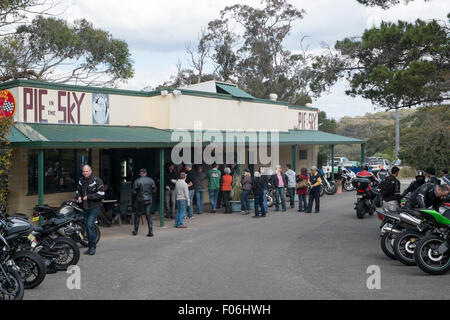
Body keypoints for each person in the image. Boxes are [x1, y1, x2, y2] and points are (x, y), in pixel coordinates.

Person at [76, 164, 105, 255]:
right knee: (87, 227)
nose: (85, 173)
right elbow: (77, 191)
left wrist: (88, 197)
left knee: (89, 225)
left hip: (94, 207)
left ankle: (92, 247)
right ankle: (90, 246)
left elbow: (101, 193)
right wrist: (79, 197)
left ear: (91, 171)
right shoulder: (81, 181)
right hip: (85, 207)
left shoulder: (97, 181)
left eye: (86, 171)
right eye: (84, 171)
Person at [132, 168, 156, 237]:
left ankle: (135, 231)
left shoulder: (137, 181)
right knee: (148, 215)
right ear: (146, 173)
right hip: (149, 199)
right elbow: (154, 190)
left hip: (140, 200)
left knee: (138, 215)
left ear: (140, 174)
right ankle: (150, 232)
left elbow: (134, 192)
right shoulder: (151, 180)